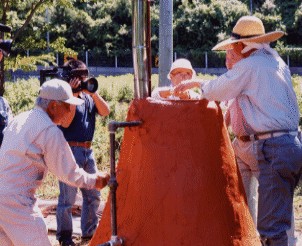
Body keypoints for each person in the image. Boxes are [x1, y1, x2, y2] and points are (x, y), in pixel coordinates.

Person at [174, 15, 302, 245]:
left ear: (243, 46)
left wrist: (196, 84)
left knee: (272, 228)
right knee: (278, 216)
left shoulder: (249, 65)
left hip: (271, 147)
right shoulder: (275, 62)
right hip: (288, 144)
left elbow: (217, 90)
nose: (231, 51)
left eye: (233, 47)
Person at [0, 79, 110, 246]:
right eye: (68, 106)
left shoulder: (21, 119)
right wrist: (96, 180)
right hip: (17, 201)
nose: (71, 111)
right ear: (53, 106)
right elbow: (69, 173)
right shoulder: (49, 130)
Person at [56, 59, 110, 246]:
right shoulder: (66, 97)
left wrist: (93, 93)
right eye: (79, 76)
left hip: (88, 151)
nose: (84, 79)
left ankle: (89, 234)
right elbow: (66, 122)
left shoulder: (89, 97)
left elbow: (106, 111)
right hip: (70, 149)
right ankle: (65, 237)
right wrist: (73, 95)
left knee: (93, 195)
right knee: (67, 198)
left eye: (85, 76)